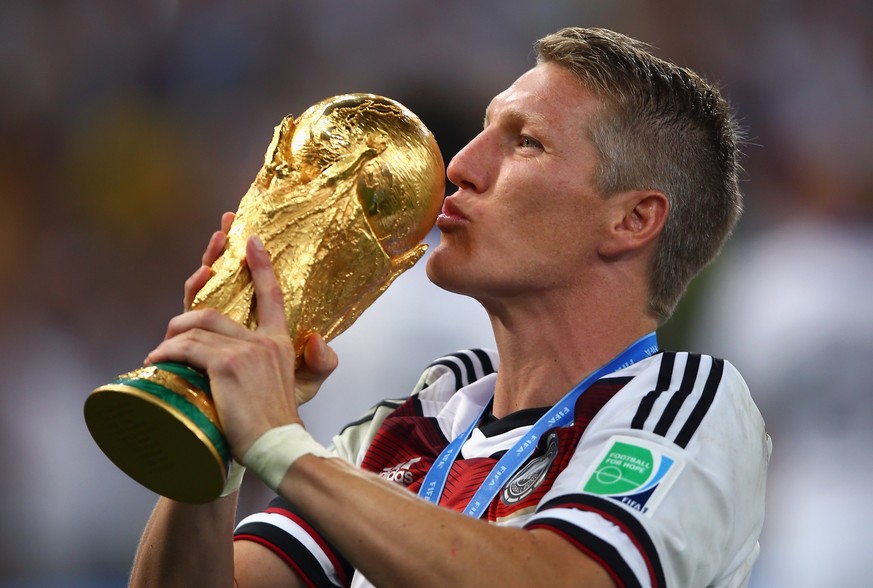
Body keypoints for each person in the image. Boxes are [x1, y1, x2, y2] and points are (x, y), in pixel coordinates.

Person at [129, 27, 769, 588]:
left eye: (525, 143)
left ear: (632, 219)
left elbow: (564, 578)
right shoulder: (422, 419)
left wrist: (280, 444)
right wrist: (217, 421)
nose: (460, 165)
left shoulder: (684, 401)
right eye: (483, 130)